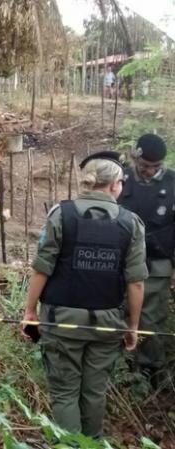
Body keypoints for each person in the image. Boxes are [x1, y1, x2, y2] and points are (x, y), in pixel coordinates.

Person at [23, 151, 146, 438]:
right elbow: (136, 283)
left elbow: (42, 268)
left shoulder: (60, 215)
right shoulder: (131, 223)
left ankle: (69, 446)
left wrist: (29, 312)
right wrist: (133, 326)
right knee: (94, 393)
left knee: (65, 393)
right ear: (115, 184)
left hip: (60, 321)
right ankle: (91, 444)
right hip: (107, 324)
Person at [118, 134, 173, 385]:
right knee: (120, 312)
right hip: (121, 261)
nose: (150, 172)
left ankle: (152, 369)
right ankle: (122, 364)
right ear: (134, 158)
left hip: (158, 263)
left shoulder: (173, 183)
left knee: (151, 318)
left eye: (155, 167)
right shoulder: (120, 180)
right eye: (144, 166)